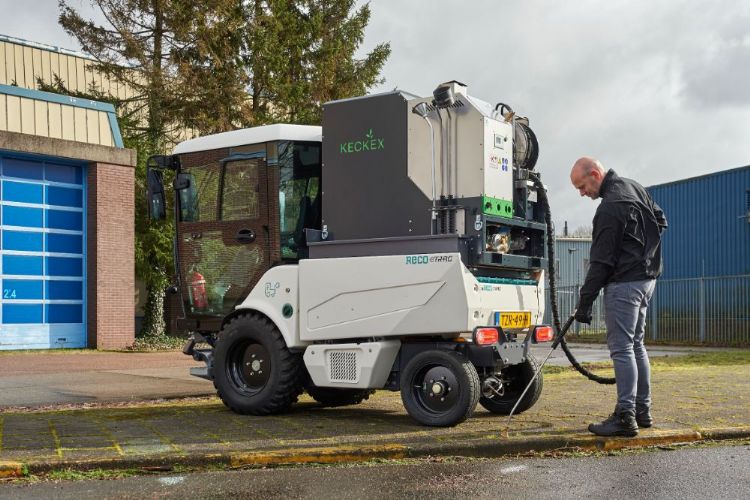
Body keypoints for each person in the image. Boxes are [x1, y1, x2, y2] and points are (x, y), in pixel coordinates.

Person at [569, 157, 667, 437]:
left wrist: (585, 301)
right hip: (647, 279)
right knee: (636, 344)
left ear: (595, 174)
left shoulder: (609, 207)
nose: (582, 193)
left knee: (622, 348)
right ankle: (642, 411)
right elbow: (661, 220)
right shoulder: (634, 187)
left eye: (582, 186)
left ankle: (625, 416)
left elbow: (600, 261)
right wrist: (640, 251)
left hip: (625, 283)